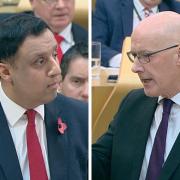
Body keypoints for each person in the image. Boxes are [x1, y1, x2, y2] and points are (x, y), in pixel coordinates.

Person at [92, 11, 180, 180]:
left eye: (146, 56)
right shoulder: (134, 102)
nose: (135, 68)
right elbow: (100, 161)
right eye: (135, 56)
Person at [0, 14, 87, 180]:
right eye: (40, 61)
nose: (56, 69)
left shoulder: (80, 117)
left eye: (54, 54)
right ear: (5, 72)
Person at [92, 0, 180, 67]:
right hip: (121, 75)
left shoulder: (176, 9)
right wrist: (123, 61)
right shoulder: (108, 4)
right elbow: (95, 45)